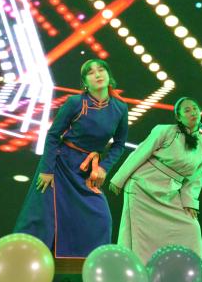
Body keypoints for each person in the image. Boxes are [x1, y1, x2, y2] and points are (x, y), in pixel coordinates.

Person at [13, 59, 129, 258]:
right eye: (91, 72)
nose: (97, 74)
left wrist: (103, 167)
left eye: (101, 70)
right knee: (44, 219)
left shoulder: (120, 108)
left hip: (88, 172)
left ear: (109, 75)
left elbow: (119, 144)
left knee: (101, 218)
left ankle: (86, 267)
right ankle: (26, 263)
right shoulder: (75, 102)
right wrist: (47, 170)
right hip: (61, 165)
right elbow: (53, 135)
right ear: (85, 82)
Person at [108, 97, 202, 263]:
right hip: (143, 187)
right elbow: (140, 153)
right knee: (141, 239)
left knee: (191, 228)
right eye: (187, 110)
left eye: (195, 108)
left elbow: (196, 178)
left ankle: (186, 272)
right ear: (178, 117)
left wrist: (190, 201)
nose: (193, 112)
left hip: (170, 194)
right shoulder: (165, 131)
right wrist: (119, 179)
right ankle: (141, 273)